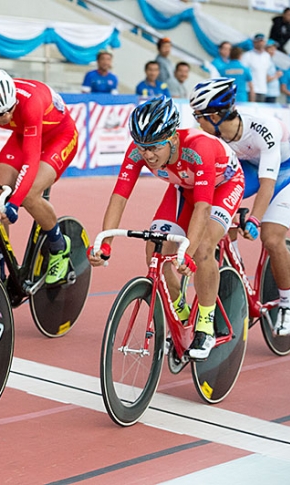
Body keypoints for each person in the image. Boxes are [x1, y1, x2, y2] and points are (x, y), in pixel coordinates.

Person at [88, 96, 245, 359]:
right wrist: (105, 243)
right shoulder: (138, 151)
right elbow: (119, 196)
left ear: (172, 138)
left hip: (222, 187)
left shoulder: (199, 148)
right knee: (155, 249)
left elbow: (203, 208)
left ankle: (206, 325)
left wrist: (189, 253)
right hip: (184, 188)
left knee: (203, 247)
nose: (147, 155)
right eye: (142, 147)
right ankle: (181, 312)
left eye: (154, 148)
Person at [0, 67, 78, 285]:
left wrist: (15, 202)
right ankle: (0, 266)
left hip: (59, 137)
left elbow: (30, 162)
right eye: (0, 115)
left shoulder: (30, 104)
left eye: (10, 109)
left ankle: (59, 247)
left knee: (29, 195)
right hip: (23, 135)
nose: (8, 116)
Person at [190, 78, 290, 336]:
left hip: (284, 173)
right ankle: (233, 261)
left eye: (199, 116)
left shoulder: (263, 129)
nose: (196, 122)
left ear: (214, 115)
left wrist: (254, 220)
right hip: (249, 169)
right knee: (216, 216)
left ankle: (288, 305)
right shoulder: (214, 135)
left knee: (270, 237)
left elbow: (267, 185)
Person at [241, 33, 275, 103]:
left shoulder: (267, 56)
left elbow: (266, 73)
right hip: (250, 90)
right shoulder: (247, 55)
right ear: (254, 42)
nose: (260, 43)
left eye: (262, 41)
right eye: (258, 41)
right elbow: (243, 74)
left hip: (263, 90)